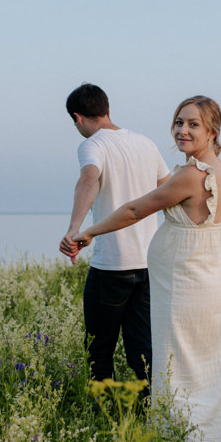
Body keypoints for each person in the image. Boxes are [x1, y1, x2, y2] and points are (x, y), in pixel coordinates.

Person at [73, 95, 221, 442]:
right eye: (178, 123)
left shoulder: (190, 175)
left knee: (182, 377)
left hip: (187, 294)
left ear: (212, 132)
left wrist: (89, 232)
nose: (182, 131)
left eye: (193, 125)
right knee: (210, 378)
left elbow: (135, 210)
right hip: (217, 289)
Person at [59, 83, 171, 387]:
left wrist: (74, 229)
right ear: (107, 109)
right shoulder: (146, 143)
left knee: (99, 349)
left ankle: (104, 413)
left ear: (78, 117)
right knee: (144, 349)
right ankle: (152, 412)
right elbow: (168, 190)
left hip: (111, 266)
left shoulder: (93, 144)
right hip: (149, 264)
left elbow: (88, 178)